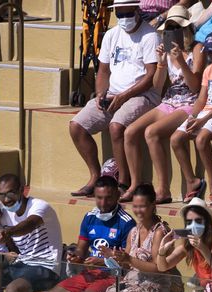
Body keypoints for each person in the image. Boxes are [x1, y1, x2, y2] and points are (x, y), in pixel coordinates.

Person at [69, 0, 160, 197]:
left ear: (137, 11)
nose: (123, 19)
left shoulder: (150, 36)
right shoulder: (111, 34)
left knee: (116, 126)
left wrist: (123, 96)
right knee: (76, 126)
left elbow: (150, 76)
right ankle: (95, 176)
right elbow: (103, 70)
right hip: (113, 94)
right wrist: (101, 93)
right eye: (119, 15)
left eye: (127, 14)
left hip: (142, 94)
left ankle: (123, 181)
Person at [119, 4, 200, 204]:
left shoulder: (197, 49)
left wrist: (180, 61)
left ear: (185, 28)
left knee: (151, 132)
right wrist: (162, 63)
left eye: (176, 27)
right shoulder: (168, 49)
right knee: (130, 132)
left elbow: (195, 86)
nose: (172, 32)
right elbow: (157, 85)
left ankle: (163, 189)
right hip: (169, 100)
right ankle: (135, 184)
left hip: (189, 103)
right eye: (169, 28)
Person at [170, 30, 212, 206]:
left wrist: (202, 121)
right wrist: (193, 117)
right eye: (209, 51)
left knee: (201, 139)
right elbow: (202, 98)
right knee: (176, 138)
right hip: (206, 112)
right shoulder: (209, 69)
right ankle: (192, 181)